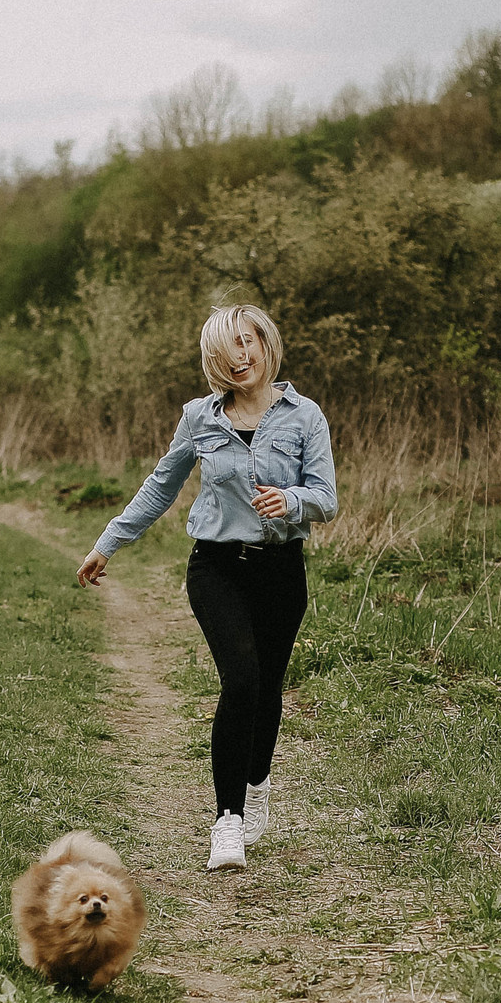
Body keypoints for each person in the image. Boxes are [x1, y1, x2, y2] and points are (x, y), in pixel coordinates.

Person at [77, 305, 337, 873]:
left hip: (281, 570)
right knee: (240, 680)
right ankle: (228, 820)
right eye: (225, 349)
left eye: (247, 342)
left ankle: (258, 783)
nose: (238, 357)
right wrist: (108, 542)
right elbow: (160, 486)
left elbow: (326, 497)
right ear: (213, 359)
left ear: (265, 345)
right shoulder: (200, 417)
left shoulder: (304, 416)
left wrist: (292, 500)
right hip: (216, 568)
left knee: (267, 689)